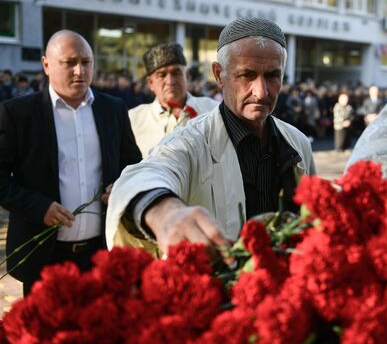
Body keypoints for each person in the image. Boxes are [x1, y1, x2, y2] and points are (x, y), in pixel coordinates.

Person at [106, 17, 316, 255]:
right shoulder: (190, 142)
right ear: (219, 74)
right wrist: (165, 212)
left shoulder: (297, 142)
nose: (261, 92)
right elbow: (143, 175)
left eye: (272, 76)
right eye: (247, 75)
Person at [0, 30, 141, 295]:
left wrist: (120, 186)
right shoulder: (18, 114)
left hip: (100, 254)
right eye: (69, 62)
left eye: (86, 62)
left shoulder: (113, 109)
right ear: (46, 65)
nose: (80, 71)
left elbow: (132, 164)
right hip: (44, 258)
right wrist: (38, 206)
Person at [128, 43, 218, 158]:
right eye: (162, 75)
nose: (170, 81)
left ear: (187, 76)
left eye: (176, 73)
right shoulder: (134, 119)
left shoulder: (212, 110)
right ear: (150, 83)